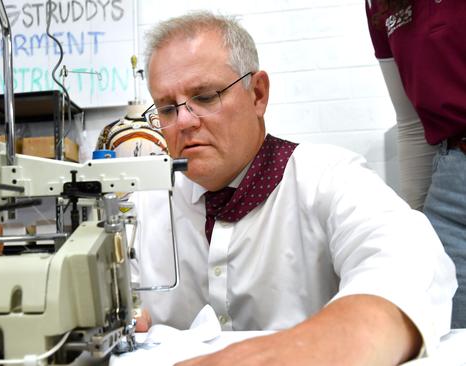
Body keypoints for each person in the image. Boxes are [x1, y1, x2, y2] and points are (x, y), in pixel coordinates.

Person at [130, 11, 457, 365]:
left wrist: (311, 348)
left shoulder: (327, 178)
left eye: (206, 97)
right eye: (166, 108)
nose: (184, 122)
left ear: (257, 94)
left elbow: (409, 263)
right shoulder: (143, 208)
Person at [365, 0, 466, 329]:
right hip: (452, 184)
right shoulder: (379, 4)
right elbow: (410, 123)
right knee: (447, 331)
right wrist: (413, 228)